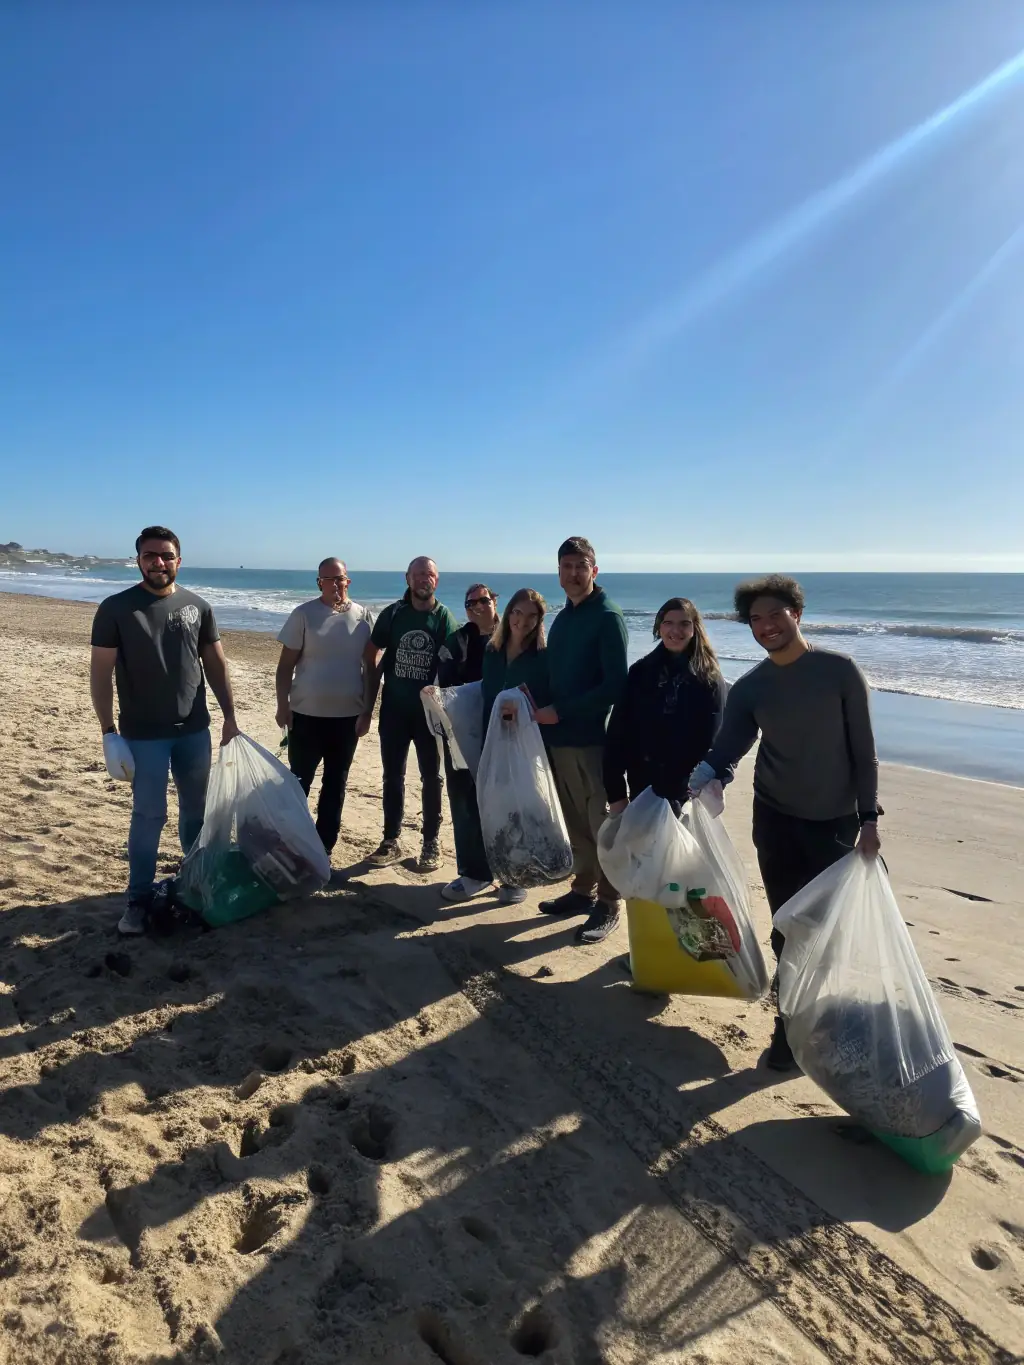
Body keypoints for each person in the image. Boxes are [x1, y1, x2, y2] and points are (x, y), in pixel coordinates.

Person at [689, 573, 881, 1071]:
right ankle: (787, 1031)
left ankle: (824, 1023)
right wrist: (704, 775)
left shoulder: (839, 671)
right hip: (775, 820)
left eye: (776, 614)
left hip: (835, 823)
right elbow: (728, 746)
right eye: (756, 619)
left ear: (797, 612)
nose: (767, 625)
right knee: (786, 929)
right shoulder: (753, 687)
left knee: (827, 933)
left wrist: (868, 818)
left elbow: (865, 752)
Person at [89, 526, 239, 936]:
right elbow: (100, 674)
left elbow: (216, 665)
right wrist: (108, 731)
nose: (159, 562)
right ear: (138, 560)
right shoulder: (116, 608)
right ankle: (137, 900)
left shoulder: (198, 606)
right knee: (149, 815)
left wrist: (229, 715)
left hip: (194, 731)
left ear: (179, 560)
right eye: (150, 555)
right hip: (143, 735)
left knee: (196, 813)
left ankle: (194, 885)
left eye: (166, 555)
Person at [533, 536, 628, 944]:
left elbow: (616, 685)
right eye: (567, 566)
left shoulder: (607, 616)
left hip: (592, 741)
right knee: (575, 824)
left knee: (601, 826)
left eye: (581, 566)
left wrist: (564, 711)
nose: (574, 573)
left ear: (595, 570)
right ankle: (581, 890)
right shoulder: (565, 617)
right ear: (558, 572)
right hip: (558, 738)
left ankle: (608, 903)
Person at [363, 557, 459, 871]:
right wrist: (366, 710)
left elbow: (455, 668)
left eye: (429, 574)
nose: (423, 579)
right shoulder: (393, 615)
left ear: (437, 580)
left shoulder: (444, 618)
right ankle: (391, 839)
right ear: (407, 578)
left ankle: (431, 841)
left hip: (429, 717)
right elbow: (372, 656)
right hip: (393, 711)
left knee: (433, 778)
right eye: (418, 574)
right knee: (393, 776)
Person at [275, 558, 375, 857]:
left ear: (348, 581)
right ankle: (291, 840)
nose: (335, 584)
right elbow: (284, 667)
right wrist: (283, 706)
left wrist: (368, 711)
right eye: (328, 579)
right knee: (299, 782)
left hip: (348, 719)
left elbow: (371, 669)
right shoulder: (303, 614)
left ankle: (323, 847)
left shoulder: (364, 617)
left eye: (339, 578)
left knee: (336, 783)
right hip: (305, 716)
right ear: (319, 582)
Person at [604, 597, 727, 817]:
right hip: (642, 786)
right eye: (668, 622)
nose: (675, 630)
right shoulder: (640, 672)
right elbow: (618, 733)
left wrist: (709, 782)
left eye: (684, 624)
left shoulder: (708, 678)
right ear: (659, 627)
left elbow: (714, 740)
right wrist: (615, 792)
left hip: (687, 793)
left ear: (694, 629)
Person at [480, 588, 553, 905]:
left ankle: (518, 878)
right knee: (498, 807)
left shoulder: (543, 657)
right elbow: (484, 691)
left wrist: (522, 710)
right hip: (492, 737)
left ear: (539, 621)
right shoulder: (492, 651)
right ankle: (501, 872)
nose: (522, 621)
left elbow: (547, 699)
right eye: (517, 613)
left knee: (524, 810)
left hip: (525, 743)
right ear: (507, 613)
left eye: (531, 616)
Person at [433, 584, 500, 903]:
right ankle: (474, 872)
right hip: (463, 732)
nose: (476, 606)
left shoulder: (515, 634)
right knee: (464, 798)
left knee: (508, 802)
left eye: (483, 600)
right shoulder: (458, 640)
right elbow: (446, 682)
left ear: (495, 602)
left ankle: (511, 872)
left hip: (506, 733)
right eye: (469, 602)